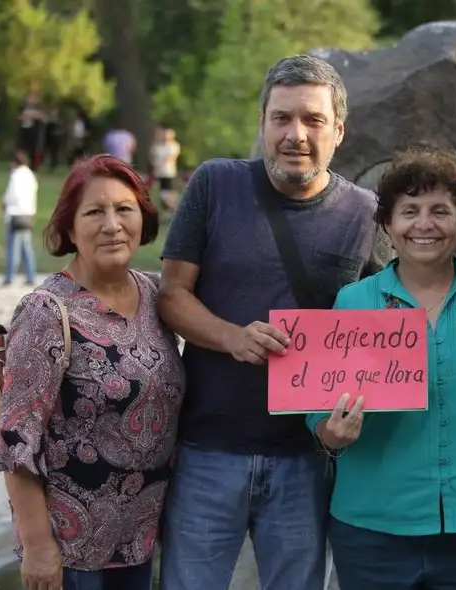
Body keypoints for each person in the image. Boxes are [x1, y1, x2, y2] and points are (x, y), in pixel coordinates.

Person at [157, 54, 390, 590]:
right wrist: (232, 337)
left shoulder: (365, 212)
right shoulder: (215, 184)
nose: (295, 134)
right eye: (281, 118)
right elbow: (172, 296)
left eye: (312, 120)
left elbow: (386, 324)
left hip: (306, 459)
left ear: (339, 131)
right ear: (262, 122)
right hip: (206, 450)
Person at [0, 154, 186, 590]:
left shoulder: (154, 295)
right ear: (70, 229)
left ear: (143, 220)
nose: (112, 224)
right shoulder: (47, 312)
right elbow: (16, 442)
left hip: (138, 542)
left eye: (124, 209)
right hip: (70, 552)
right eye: (94, 212)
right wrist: (37, 548)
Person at [306, 146, 456, 589]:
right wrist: (330, 433)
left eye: (440, 211)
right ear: (387, 226)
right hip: (372, 531)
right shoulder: (354, 303)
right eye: (409, 211)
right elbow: (317, 409)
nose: (424, 224)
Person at [0, 150, 38, 287]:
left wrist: (4, 202)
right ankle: (30, 276)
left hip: (15, 214)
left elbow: (12, 195)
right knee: (26, 248)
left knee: (13, 248)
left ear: (14, 162)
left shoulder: (16, 176)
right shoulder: (30, 175)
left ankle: (9, 277)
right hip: (28, 215)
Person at [149, 125, 181, 211]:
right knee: (158, 191)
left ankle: (174, 206)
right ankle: (166, 207)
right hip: (158, 172)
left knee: (166, 191)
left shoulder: (174, 146)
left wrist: (160, 163)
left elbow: (171, 158)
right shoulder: (157, 146)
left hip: (167, 172)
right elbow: (153, 157)